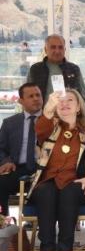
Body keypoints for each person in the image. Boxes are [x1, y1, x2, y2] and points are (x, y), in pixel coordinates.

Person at [29, 89, 85, 251]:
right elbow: (39, 129)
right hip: (49, 180)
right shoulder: (50, 127)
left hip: (77, 182)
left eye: (70, 100)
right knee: (46, 192)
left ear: (79, 106)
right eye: (61, 101)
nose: (64, 104)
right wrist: (49, 106)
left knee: (69, 193)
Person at [0, 84, 43, 217]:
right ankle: (4, 223)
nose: (36, 99)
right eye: (31, 96)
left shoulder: (51, 121)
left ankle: (36, 221)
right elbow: (1, 148)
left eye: (38, 95)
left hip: (43, 169)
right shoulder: (10, 123)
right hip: (18, 168)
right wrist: (6, 161)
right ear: (21, 101)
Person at [27, 34, 85, 104]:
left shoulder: (73, 69)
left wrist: (82, 110)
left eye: (60, 47)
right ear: (46, 50)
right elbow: (28, 95)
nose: (57, 51)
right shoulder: (36, 69)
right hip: (43, 110)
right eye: (53, 47)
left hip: (68, 110)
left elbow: (82, 96)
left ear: (65, 50)